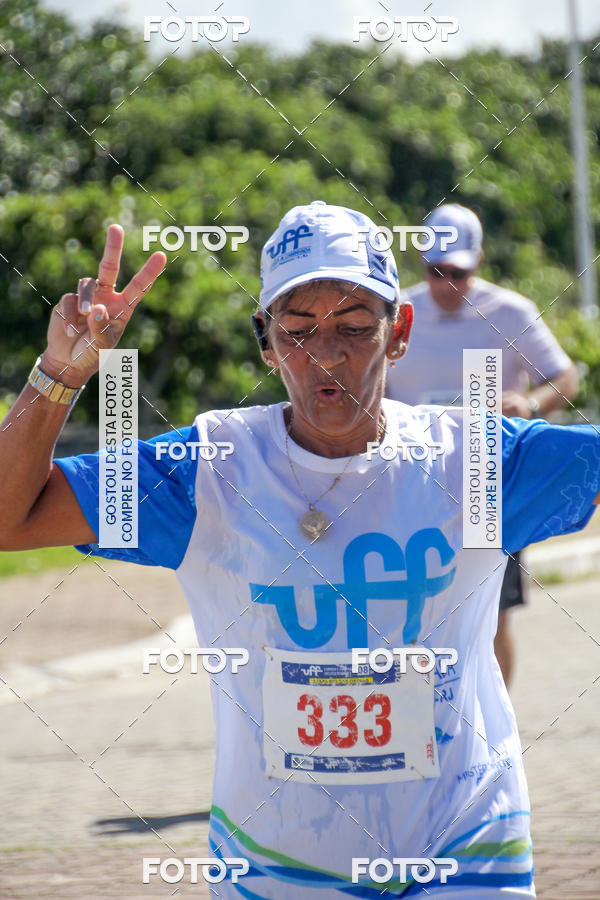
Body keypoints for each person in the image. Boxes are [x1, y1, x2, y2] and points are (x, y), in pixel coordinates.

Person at [1, 200, 598, 899]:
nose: (328, 355)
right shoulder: (211, 470)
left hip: (466, 853)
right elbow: (12, 522)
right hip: (277, 870)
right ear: (265, 340)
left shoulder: (473, 458)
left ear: (397, 332)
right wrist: (59, 374)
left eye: (353, 326)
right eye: (297, 330)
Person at [386, 203, 580, 689]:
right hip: (408, 481)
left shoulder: (510, 311)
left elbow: (566, 377)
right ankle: (420, 721)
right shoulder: (394, 313)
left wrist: (529, 403)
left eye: (458, 272)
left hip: (483, 481)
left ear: (480, 261)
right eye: (435, 271)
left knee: (490, 617)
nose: (446, 283)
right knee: (408, 613)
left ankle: (492, 733)